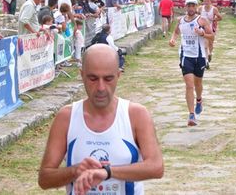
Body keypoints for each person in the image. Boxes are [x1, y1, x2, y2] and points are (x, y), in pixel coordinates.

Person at [38, 44, 164, 194]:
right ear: (82, 75)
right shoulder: (66, 117)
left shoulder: (136, 115)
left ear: (118, 75)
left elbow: (156, 167)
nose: (101, 87)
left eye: (108, 79)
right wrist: (75, 171)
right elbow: (45, 179)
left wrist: (107, 172)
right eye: (93, 78)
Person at [169, 0, 214, 126]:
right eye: (189, 6)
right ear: (186, 7)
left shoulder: (202, 21)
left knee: (198, 84)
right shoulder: (180, 20)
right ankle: (191, 115)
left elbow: (212, 36)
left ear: (196, 7)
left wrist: (202, 34)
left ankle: (199, 100)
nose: (191, 8)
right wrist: (173, 40)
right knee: (189, 85)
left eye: (193, 6)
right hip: (186, 56)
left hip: (199, 56)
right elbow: (176, 32)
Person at [198, 0, 222, 67]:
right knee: (205, 44)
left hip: (211, 28)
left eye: (207, 1)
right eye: (205, 1)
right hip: (203, 28)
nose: (206, 3)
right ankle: (206, 61)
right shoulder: (200, 8)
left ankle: (210, 54)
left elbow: (220, 17)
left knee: (210, 43)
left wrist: (214, 20)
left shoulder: (214, 9)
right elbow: (195, 15)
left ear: (210, 1)